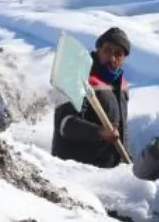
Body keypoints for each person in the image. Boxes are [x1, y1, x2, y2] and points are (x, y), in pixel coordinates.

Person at [51, 27, 131, 169]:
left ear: (125, 58)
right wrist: (99, 132)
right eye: (107, 50)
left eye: (118, 54)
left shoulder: (121, 86)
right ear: (98, 50)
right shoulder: (78, 77)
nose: (112, 58)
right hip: (76, 171)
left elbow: (120, 131)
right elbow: (65, 124)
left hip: (107, 170)